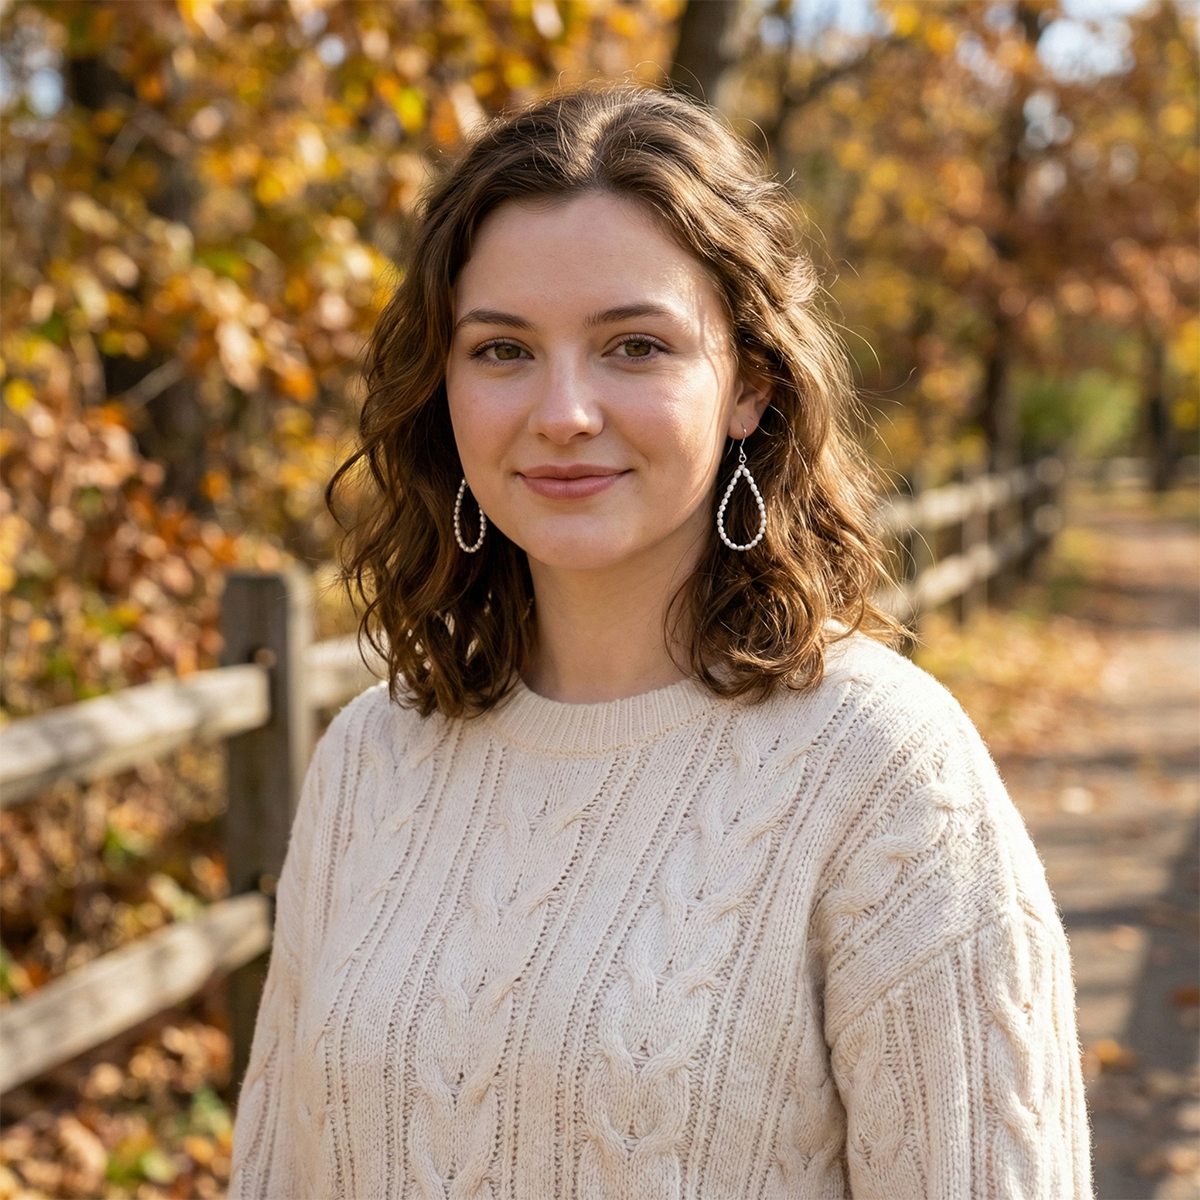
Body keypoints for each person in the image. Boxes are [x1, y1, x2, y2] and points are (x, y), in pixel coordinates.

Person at [229, 84, 1092, 1198]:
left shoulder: (881, 769)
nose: (563, 412)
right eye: (502, 350)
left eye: (634, 346)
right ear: (443, 386)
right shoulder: (369, 760)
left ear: (749, 386)